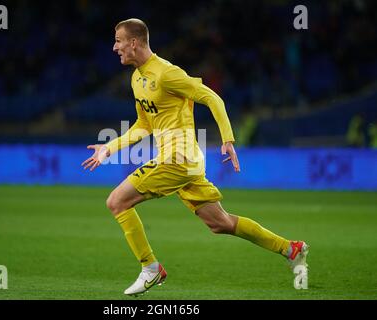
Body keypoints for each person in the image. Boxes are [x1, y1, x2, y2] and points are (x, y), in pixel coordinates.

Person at [82, 18, 309, 296]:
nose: (114, 47)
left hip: (178, 158)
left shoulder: (167, 73)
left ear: (134, 42)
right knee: (220, 223)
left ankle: (150, 268)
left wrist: (227, 139)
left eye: (118, 40)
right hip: (182, 160)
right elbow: (144, 124)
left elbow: (213, 98)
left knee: (117, 201)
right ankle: (290, 249)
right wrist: (110, 147)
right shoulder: (137, 78)